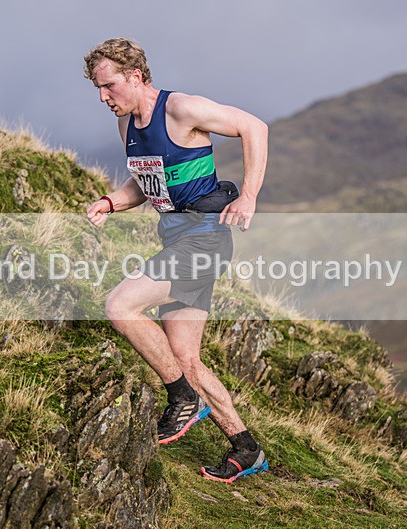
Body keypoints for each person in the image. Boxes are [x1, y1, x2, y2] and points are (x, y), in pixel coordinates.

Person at [83, 38, 269, 483]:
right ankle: (246, 448)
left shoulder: (181, 109)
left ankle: (183, 400)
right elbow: (144, 183)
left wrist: (249, 196)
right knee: (184, 357)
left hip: (204, 240)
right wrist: (112, 201)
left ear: (135, 76)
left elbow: (255, 127)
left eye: (109, 86)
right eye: (97, 90)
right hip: (176, 241)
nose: (104, 97)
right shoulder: (127, 126)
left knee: (120, 306)